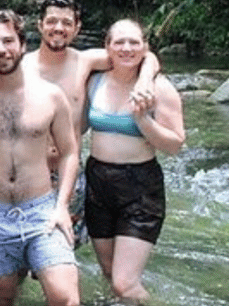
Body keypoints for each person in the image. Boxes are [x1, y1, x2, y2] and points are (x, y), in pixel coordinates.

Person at [0, 10, 80, 306]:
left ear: (22, 44)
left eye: (8, 41)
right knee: (2, 297)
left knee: (65, 298)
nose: (1, 49)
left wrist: (62, 206)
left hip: (42, 213)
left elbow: (70, 152)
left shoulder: (51, 95)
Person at [21, 0, 159, 246]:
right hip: (27, 175)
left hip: (68, 176)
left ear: (77, 28)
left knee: (58, 261)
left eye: (66, 22)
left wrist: (145, 78)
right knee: (18, 262)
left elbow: (141, 54)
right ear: (40, 25)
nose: (58, 28)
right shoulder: (21, 66)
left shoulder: (85, 61)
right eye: (52, 21)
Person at [84, 19, 185, 303]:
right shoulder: (94, 80)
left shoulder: (159, 88)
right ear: (108, 47)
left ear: (144, 47)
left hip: (140, 188)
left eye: (134, 42)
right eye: (119, 42)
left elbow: (176, 145)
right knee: (108, 271)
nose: (127, 48)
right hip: (97, 182)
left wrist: (142, 120)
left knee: (124, 283)